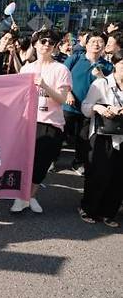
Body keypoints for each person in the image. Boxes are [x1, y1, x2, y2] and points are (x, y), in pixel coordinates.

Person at [11, 31, 72, 213]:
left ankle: (31, 196)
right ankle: (20, 197)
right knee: (23, 161)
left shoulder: (61, 69)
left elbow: (62, 99)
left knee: (42, 163)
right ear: (35, 44)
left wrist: (44, 85)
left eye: (51, 42)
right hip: (28, 122)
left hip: (51, 123)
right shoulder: (26, 69)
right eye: (43, 41)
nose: (47, 44)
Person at [79, 49, 123, 226]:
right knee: (99, 174)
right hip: (102, 134)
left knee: (118, 176)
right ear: (115, 64)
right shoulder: (101, 83)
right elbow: (86, 106)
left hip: (122, 136)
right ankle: (88, 208)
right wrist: (100, 108)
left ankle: (108, 213)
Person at [63, 31, 113, 175]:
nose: (96, 44)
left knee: (83, 137)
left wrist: (101, 75)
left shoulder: (108, 66)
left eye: (100, 42)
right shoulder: (75, 58)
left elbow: (111, 87)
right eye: (93, 42)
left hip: (90, 108)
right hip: (69, 105)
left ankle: (78, 162)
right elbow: (62, 76)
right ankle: (52, 159)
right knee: (61, 134)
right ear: (87, 44)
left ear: (104, 46)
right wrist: (68, 93)